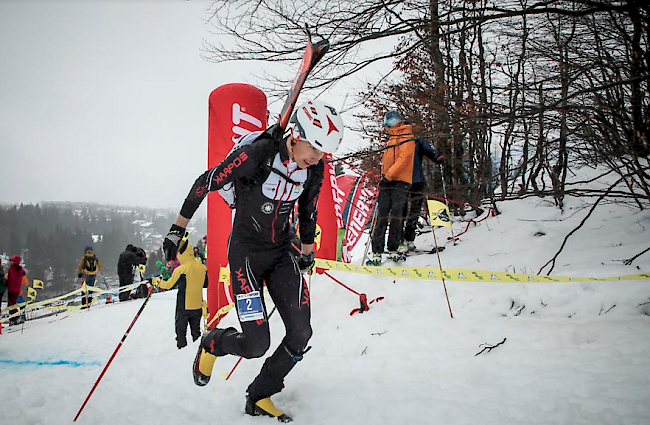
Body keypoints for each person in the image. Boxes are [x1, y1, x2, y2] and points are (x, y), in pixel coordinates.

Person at [162, 100, 344, 422]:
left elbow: (307, 209)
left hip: (280, 253)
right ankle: (213, 343)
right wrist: (177, 231)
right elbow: (205, 182)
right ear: (296, 134)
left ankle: (260, 394)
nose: (317, 158)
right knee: (257, 343)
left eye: (323, 152)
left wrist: (305, 249)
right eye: (314, 148)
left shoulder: (314, 168)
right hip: (246, 256)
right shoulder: (257, 154)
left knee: (301, 333)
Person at [369, 110, 415, 265]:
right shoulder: (392, 138)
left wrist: (388, 176)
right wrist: (384, 177)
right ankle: (377, 251)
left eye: (388, 122)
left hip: (400, 182)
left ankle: (393, 248)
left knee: (396, 215)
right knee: (382, 215)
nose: (386, 126)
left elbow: (404, 159)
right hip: (387, 181)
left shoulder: (406, 136)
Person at [158, 240, 208, 349]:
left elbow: (168, 285)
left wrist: (156, 282)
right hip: (198, 306)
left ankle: (182, 352)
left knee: (181, 333)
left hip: (183, 306)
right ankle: (199, 353)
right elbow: (206, 284)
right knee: (197, 333)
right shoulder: (202, 268)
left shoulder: (181, 269)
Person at [402, 139, 444, 252]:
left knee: (414, 211)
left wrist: (436, 157)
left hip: (417, 181)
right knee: (401, 211)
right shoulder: (396, 142)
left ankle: (409, 239)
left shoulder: (417, 142)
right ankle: (400, 241)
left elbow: (429, 150)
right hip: (401, 181)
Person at [5, 255, 29, 325]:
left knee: (12, 306)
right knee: (20, 305)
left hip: (13, 292)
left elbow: (6, 279)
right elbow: (26, 283)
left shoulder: (11, 271)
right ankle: (21, 317)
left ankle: (15, 319)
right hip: (18, 292)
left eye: (12, 261)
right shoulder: (20, 271)